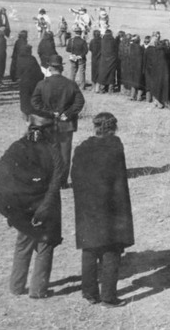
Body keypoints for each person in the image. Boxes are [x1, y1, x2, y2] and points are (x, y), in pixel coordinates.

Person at [0, 121, 65, 299]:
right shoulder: (52, 151)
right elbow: (56, 181)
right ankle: (38, 290)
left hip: (23, 207)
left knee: (23, 244)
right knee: (45, 245)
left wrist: (8, 203)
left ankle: (16, 286)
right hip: (47, 207)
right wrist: (45, 207)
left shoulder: (16, 148)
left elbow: (0, 171)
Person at [70, 112, 134, 307]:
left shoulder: (81, 148)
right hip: (110, 208)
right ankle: (108, 296)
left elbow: (75, 178)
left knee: (89, 248)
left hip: (87, 208)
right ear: (113, 128)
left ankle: (89, 293)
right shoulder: (115, 146)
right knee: (111, 250)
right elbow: (119, 179)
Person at [31, 55, 86, 188]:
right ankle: (62, 182)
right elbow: (80, 101)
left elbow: (35, 102)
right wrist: (68, 114)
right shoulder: (70, 84)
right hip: (66, 125)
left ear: (49, 68)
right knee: (64, 153)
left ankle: (51, 181)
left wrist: (50, 113)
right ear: (61, 68)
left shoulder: (42, 84)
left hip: (47, 124)